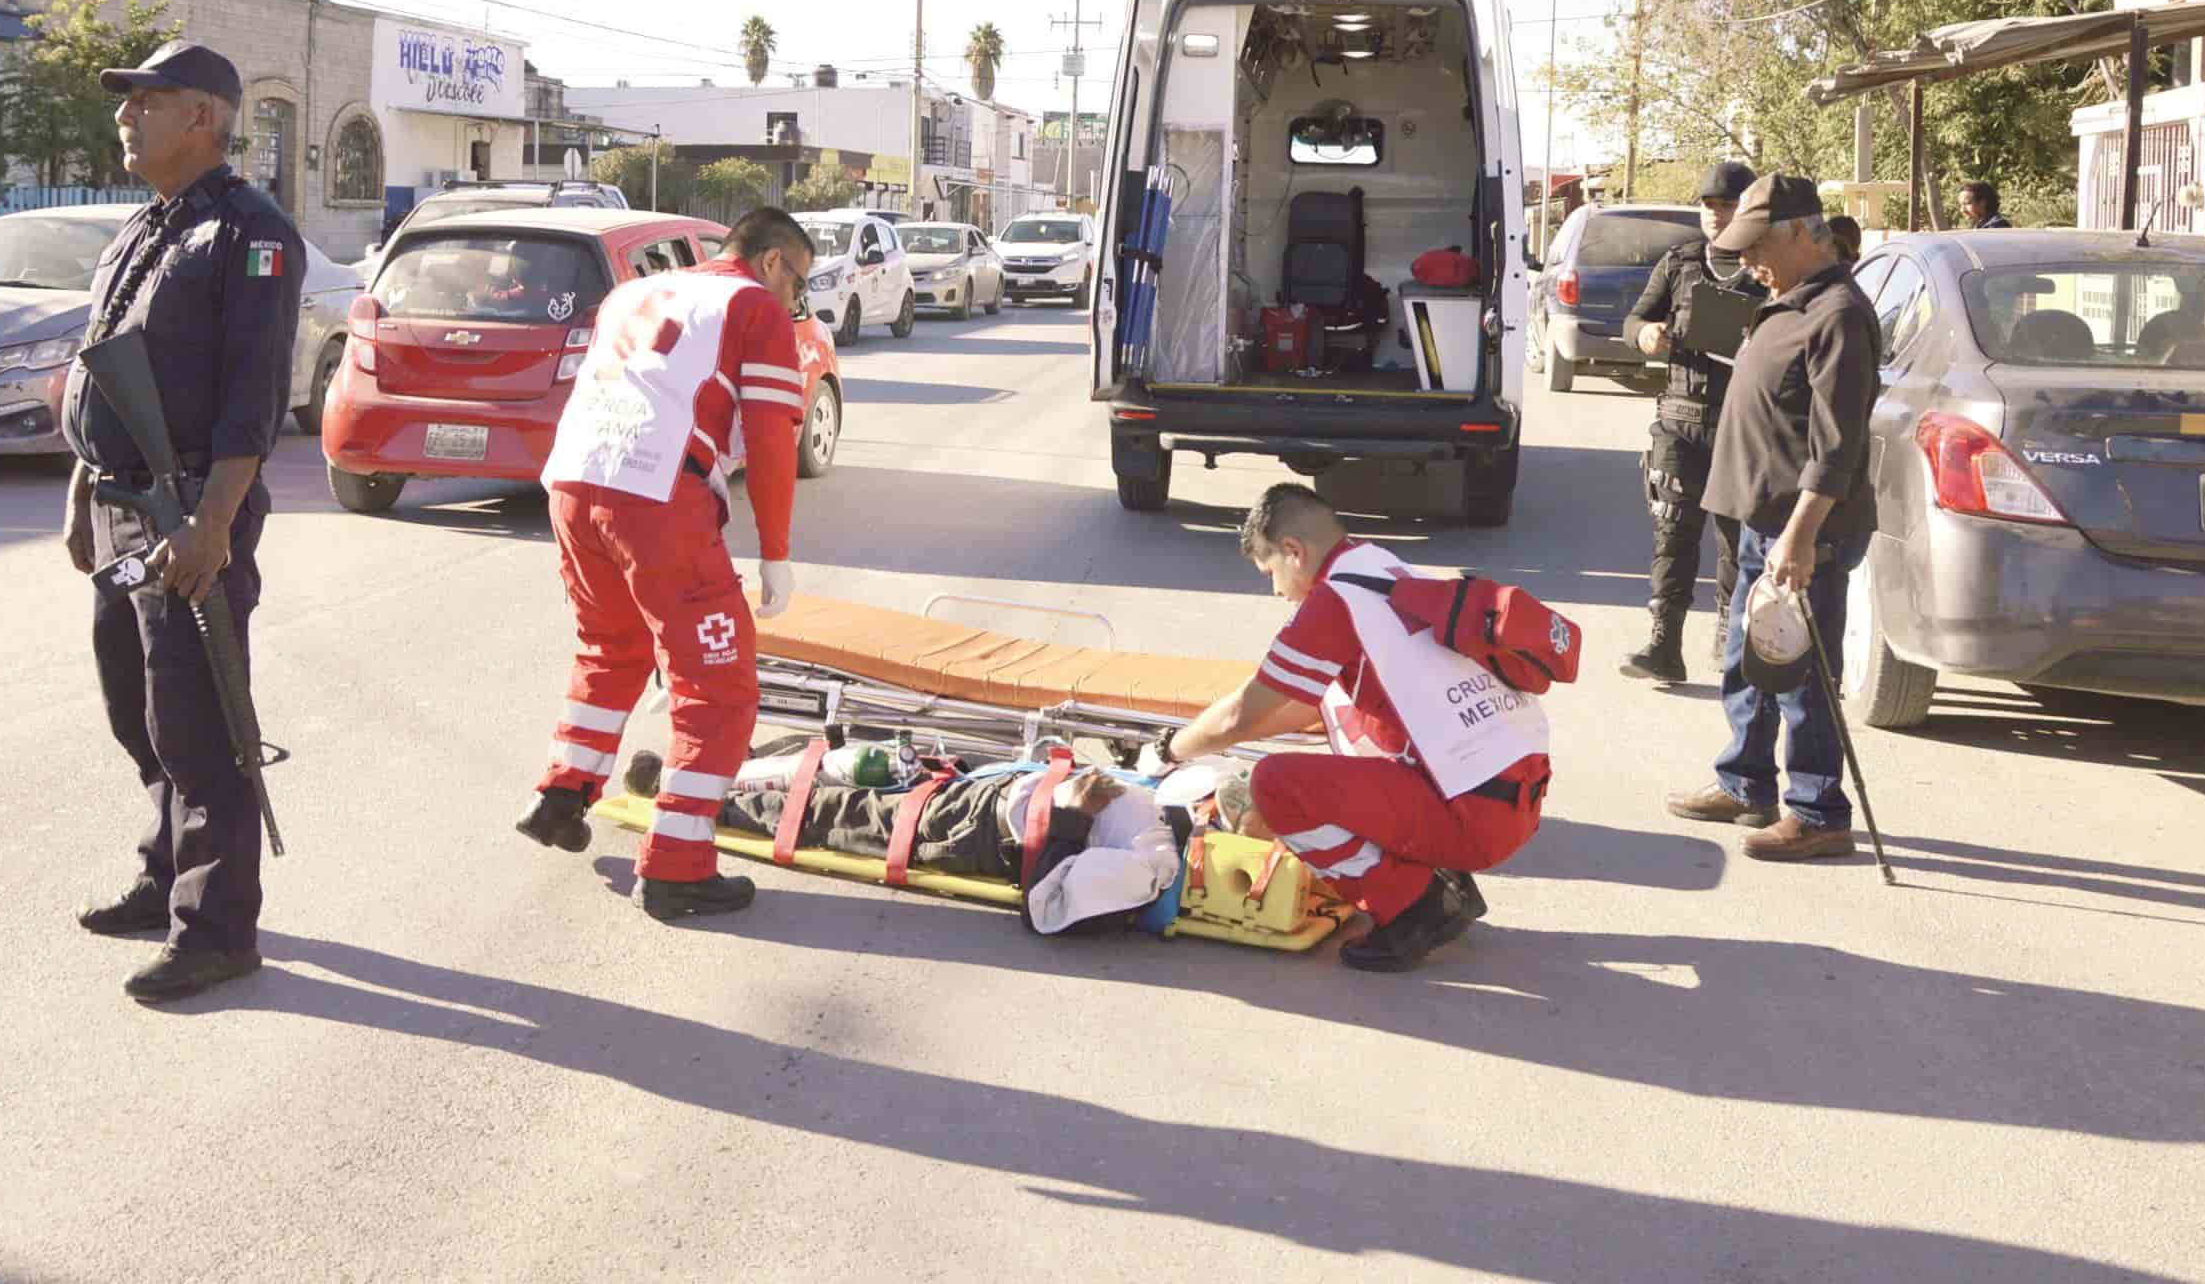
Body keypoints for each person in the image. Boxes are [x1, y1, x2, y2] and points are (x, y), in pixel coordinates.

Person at [60, 40, 305, 1004]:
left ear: (203, 116)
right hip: (121, 503)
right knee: (138, 709)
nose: (126, 116)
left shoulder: (252, 234)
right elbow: (100, 362)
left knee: (200, 723)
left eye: (146, 101)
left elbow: (252, 399)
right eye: (126, 103)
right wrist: (80, 489)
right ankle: (167, 879)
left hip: (190, 507)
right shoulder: (147, 226)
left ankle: (217, 928)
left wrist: (212, 522)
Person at [515, 206, 821, 922]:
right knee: (719, 688)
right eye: (798, 285)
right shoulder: (752, 304)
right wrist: (775, 554)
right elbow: (773, 441)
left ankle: (561, 795)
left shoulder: (634, 290)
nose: (794, 303)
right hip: (654, 496)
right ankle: (678, 867)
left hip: (573, 484)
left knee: (610, 649)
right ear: (773, 261)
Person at [1162, 485, 1549, 972]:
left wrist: (1174, 748)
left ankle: (1413, 905)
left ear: (1293, 552)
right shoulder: (1383, 569)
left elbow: (1244, 713)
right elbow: (1306, 712)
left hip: (1474, 816)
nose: (1276, 592)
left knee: (1276, 786)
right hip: (1515, 795)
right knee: (1343, 738)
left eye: (1270, 574)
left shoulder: (1334, 600)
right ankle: (1439, 876)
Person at [1667, 175, 1884, 863]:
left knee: (1800, 675)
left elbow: (1837, 445)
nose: (1747, 260)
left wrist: (1801, 535)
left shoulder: (1838, 314)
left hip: (1804, 530)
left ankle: (1819, 811)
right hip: (1762, 520)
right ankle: (1745, 782)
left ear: (1800, 232)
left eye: (1757, 244)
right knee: (1751, 660)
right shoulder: (1787, 300)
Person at [647, 743, 1215, 936]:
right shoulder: (1157, 844)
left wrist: (1071, 813)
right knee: (845, 796)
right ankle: (707, 784)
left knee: (842, 807)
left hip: (979, 817)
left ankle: (695, 789)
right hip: (979, 812)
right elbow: (1049, 903)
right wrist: (1069, 806)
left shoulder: (1161, 839)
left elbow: (1051, 898)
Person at [1617, 161, 1766, 684]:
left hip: (1741, 428)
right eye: (1709, 206)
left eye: (1727, 206)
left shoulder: (1766, 269)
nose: (1716, 215)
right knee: (1673, 534)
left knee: (1734, 542)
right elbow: (1633, 319)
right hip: (1680, 419)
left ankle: (1731, 647)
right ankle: (1663, 644)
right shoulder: (1680, 262)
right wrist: (1645, 336)